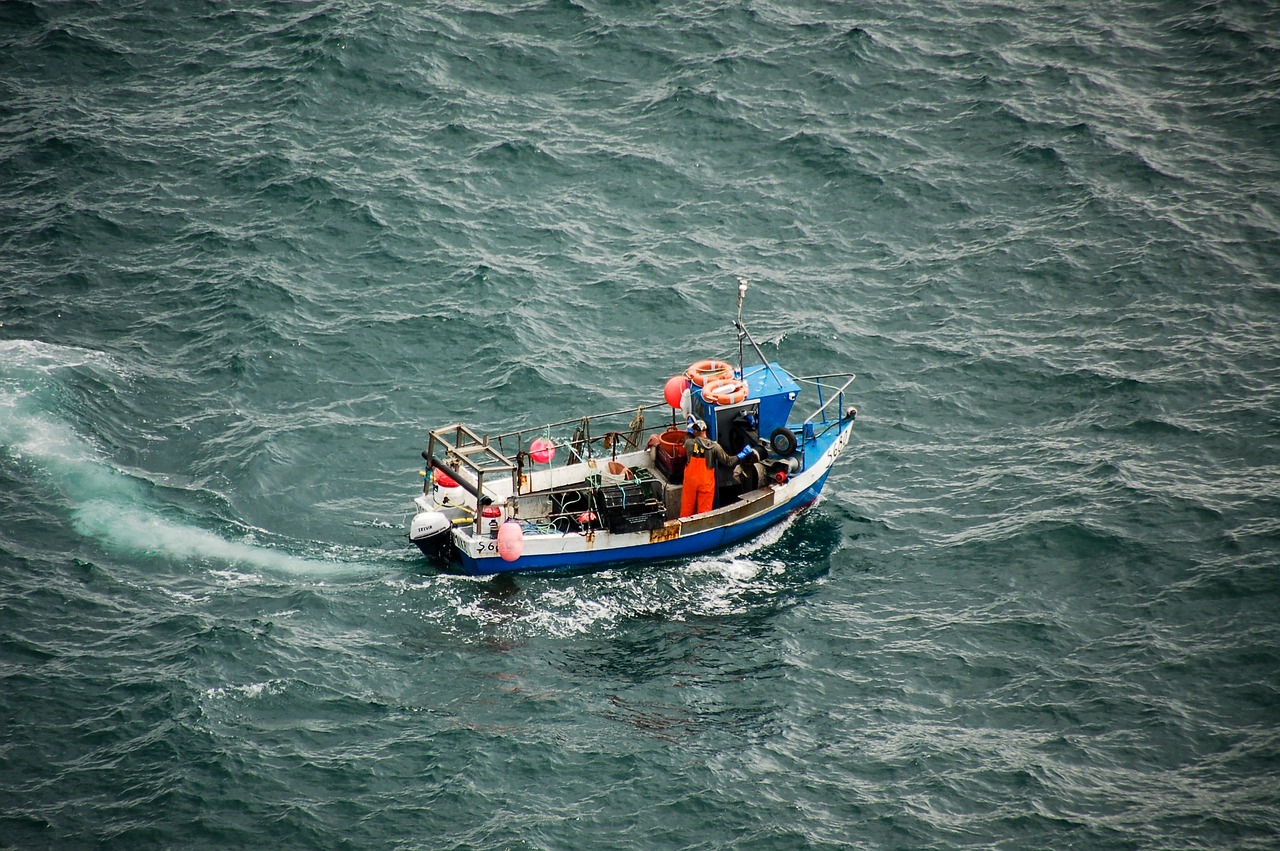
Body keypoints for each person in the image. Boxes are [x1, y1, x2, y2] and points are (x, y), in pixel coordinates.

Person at [680, 418, 756, 517]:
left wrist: (689, 430)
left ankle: (684, 527)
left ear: (695, 431)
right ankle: (702, 528)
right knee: (704, 512)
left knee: (686, 509)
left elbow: (687, 438)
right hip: (706, 482)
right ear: (705, 431)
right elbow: (728, 462)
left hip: (691, 481)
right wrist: (742, 454)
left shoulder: (689, 443)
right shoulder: (715, 447)